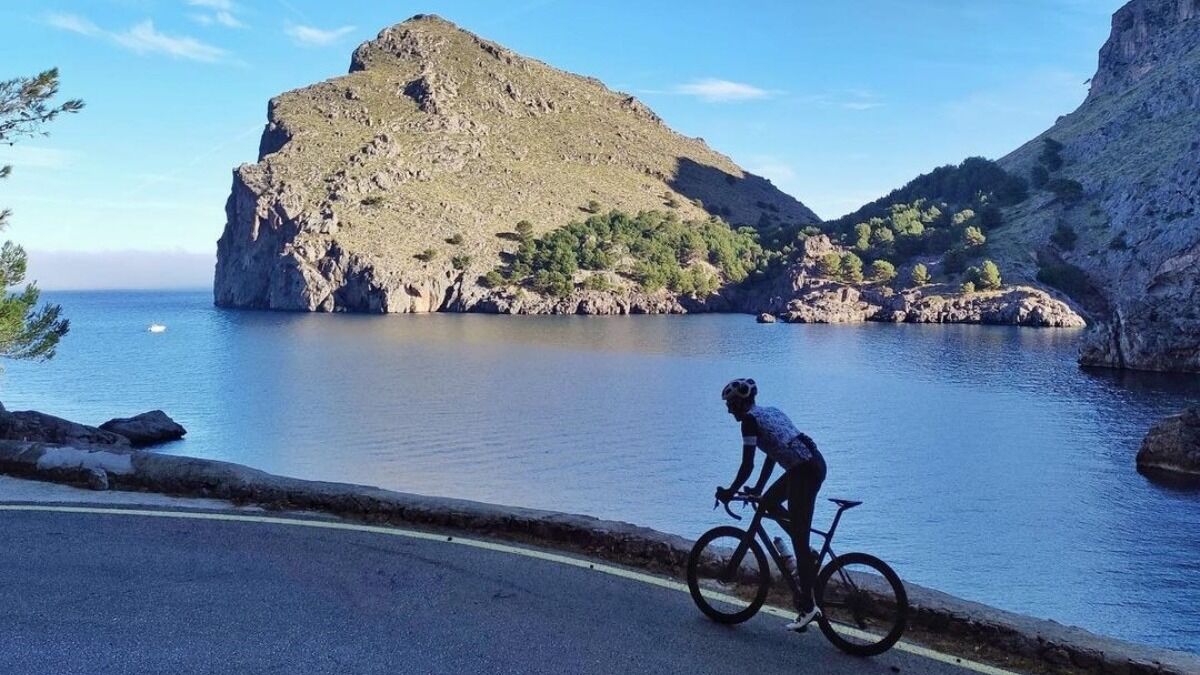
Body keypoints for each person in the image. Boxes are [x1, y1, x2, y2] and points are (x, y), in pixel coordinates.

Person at [716, 377, 827, 631]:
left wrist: (730, 491)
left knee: (799, 541)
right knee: (766, 502)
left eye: (730, 404)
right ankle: (808, 553)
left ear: (740, 403)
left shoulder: (749, 422)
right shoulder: (770, 412)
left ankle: (808, 607)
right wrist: (758, 488)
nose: (729, 410)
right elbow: (773, 454)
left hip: (804, 472)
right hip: (810, 464)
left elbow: (748, 465)